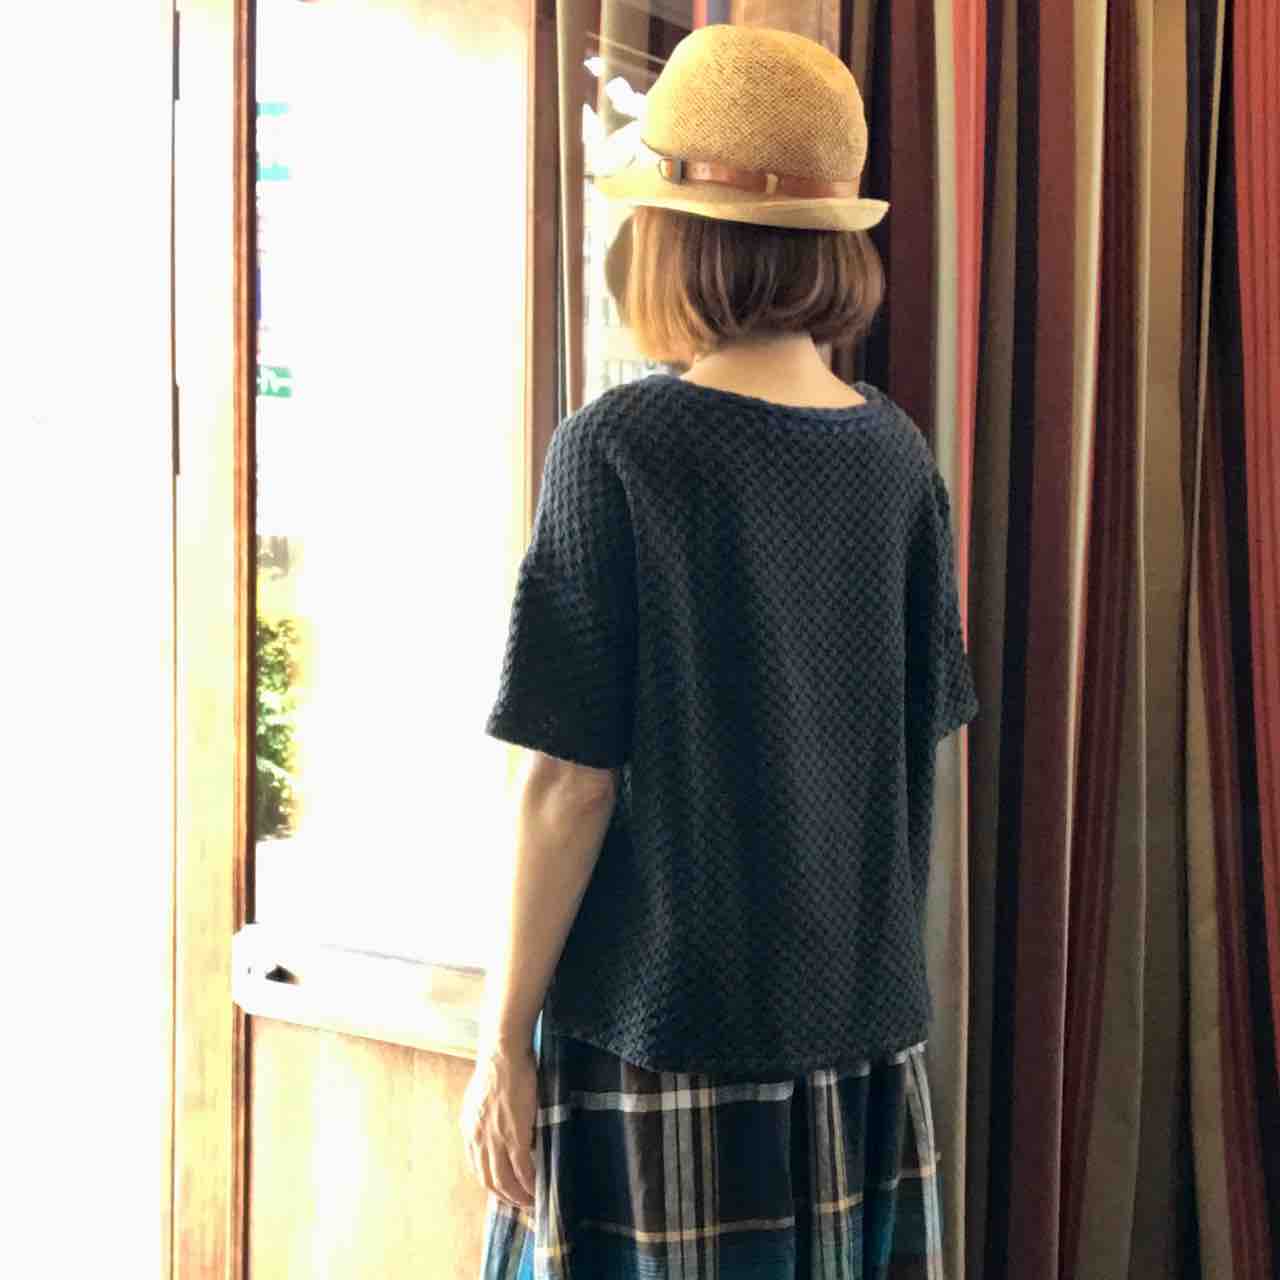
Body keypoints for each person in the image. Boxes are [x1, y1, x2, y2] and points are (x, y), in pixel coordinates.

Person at [461, 23, 979, 1278]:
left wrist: (499, 1037)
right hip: (857, 1042)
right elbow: (921, 743)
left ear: (674, 236)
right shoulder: (896, 455)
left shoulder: (619, 447)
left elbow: (567, 782)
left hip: (665, 1035)